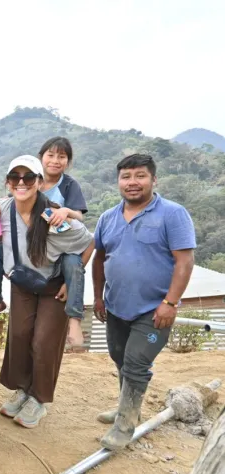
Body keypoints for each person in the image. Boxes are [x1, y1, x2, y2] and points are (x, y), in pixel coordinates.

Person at [92, 154, 195, 450]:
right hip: (115, 306)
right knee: (119, 357)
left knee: (137, 362)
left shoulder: (172, 214)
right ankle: (127, 405)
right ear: (118, 182)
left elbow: (185, 261)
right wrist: (98, 297)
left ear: (153, 179)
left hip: (154, 309)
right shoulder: (107, 218)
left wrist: (171, 303)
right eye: (126, 177)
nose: (132, 182)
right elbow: (99, 260)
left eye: (140, 176)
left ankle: (125, 424)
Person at [0, 156, 93, 428]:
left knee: (43, 341)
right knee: (19, 335)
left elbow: (88, 242)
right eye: (15, 177)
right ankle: (23, 389)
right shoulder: (4, 209)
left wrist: (70, 282)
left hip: (53, 286)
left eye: (29, 177)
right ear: (8, 182)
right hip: (23, 282)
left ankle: (38, 399)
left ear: (40, 183)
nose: (22, 182)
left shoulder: (52, 216)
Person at [0, 137, 89, 351]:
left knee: (73, 262)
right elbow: (9, 201)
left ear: (38, 182)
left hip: (57, 241)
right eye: (51, 155)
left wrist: (65, 212)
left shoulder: (67, 186)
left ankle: (75, 319)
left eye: (62, 156)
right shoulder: (15, 196)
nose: (55, 161)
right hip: (29, 254)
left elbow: (82, 227)